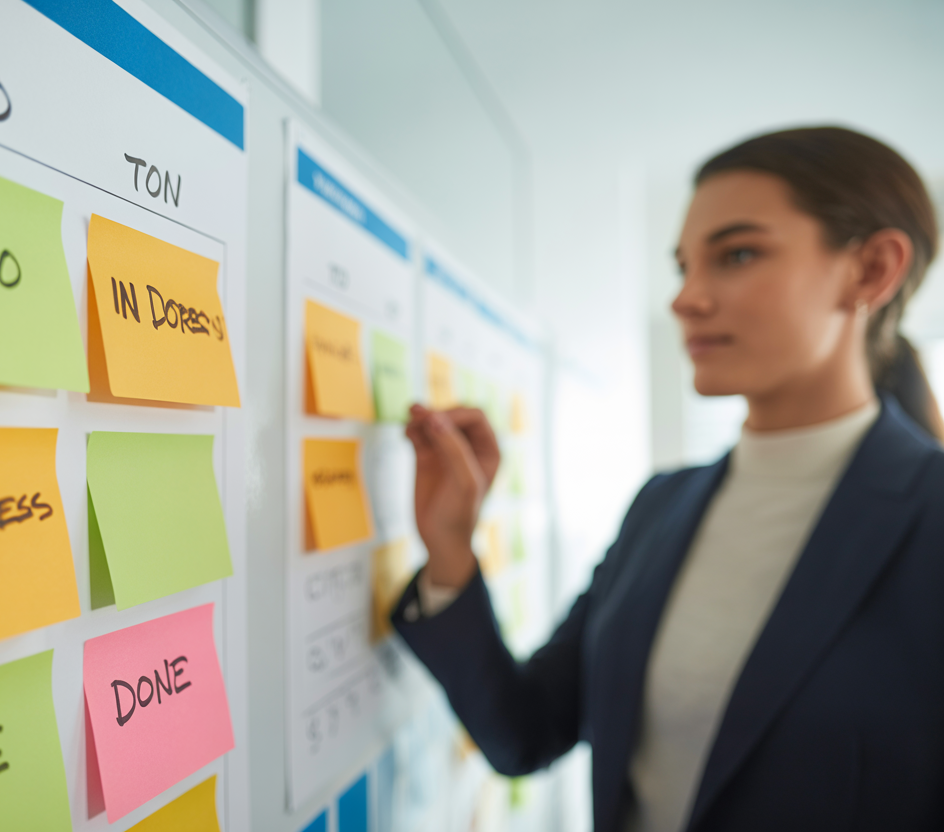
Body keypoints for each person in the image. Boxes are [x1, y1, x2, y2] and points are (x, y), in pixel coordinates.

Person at [392, 126, 944, 832]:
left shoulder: (929, 517)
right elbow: (524, 731)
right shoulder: (662, 505)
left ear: (871, 271)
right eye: (684, 267)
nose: (685, 299)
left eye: (737, 255)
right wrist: (449, 547)